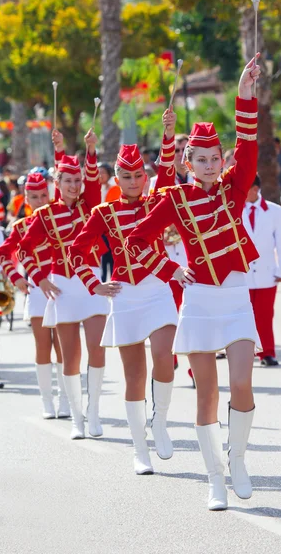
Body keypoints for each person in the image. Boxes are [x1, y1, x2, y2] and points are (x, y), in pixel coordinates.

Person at [126, 55, 261, 511]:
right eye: (199, 159)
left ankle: (237, 458)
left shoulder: (233, 187)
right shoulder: (174, 200)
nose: (207, 165)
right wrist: (168, 269)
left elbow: (248, 145)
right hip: (199, 301)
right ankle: (215, 480)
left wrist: (245, 91)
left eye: (213, 159)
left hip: (236, 297)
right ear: (187, 162)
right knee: (208, 392)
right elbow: (136, 237)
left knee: (241, 382)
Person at [68, 108, 178, 475]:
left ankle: (159, 419)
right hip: (125, 295)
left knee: (165, 355)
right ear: (117, 178)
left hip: (158, 289)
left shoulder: (157, 200)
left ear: (145, 178)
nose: (133, 182)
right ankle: (139, 449)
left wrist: (169, 134)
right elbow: (77, 249)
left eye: (138, 176)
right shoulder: (104, 211)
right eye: (126, 176)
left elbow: (167, 172)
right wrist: (94, 284)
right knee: (134, 375)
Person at [18, 129, 109, 440]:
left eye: (77, 180)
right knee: (70, 356)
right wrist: (39, 278)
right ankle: (77, 418)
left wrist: (91, 150)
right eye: (67, 180)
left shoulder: (91, 204)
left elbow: (94, 180)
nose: (74, 185)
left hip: (92, 282)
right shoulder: (45, 215)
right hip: (62, 286)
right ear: (56, 185)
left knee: (98, 349)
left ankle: (94, 411)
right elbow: (23, 249)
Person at [0, 173, 70, 418]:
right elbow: (3, 254)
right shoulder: (20, 227)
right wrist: (16, 278)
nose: (40, 201)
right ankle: (47, 402)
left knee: (62, 346)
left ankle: (65, 400)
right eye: (34, 197)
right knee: (43, 345)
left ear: (50, 196)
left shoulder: (58, 218)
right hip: (37, 290)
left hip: (62, 287)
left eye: (43, 196)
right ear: (26, 199)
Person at [150, 132, 194, 378]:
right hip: (169, 258)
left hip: (194, 258)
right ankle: (173, 355)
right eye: (176, 150)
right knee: (171, 310)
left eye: (183, 151)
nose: (179, 155)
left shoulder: (200, 180)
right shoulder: (162, 181)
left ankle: (194, 366)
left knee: (194, 311)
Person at [243, 174, 281, 366]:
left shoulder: (275, 211)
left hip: (266, 272)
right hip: (241, 274)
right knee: (242, 314)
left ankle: (267, 352)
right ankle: (244, 353)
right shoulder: (233, 210)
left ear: (255, 189)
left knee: (264, 314)